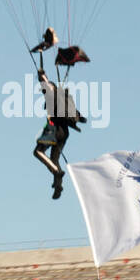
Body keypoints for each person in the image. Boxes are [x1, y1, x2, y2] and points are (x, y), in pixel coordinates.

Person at [32, 68, 86, 199]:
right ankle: (58, 185)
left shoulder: (52, 93)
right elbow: (79, 116)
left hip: (54, 129)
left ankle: (57, 172)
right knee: (54, 159)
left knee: (38, 152)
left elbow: (46, 85)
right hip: (64, 132)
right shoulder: (62, 98)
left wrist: (42, 76)